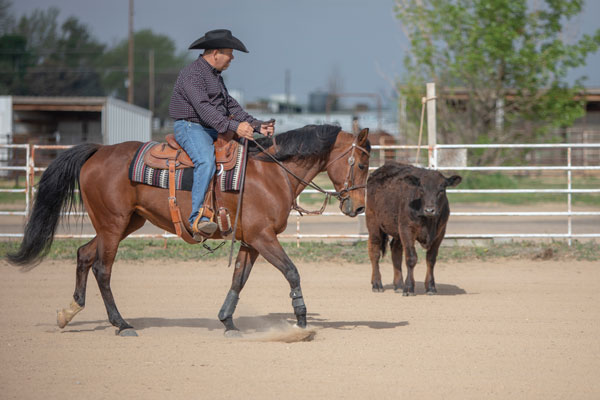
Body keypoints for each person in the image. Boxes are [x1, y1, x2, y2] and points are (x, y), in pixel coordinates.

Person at [169, 29, 274, 240]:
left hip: (210, 127)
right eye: (230, 52)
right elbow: (204, 108)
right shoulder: (192, 74)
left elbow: (231, 107)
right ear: (215, 52)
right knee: (206, 162)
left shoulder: (214, 77)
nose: (233, 57)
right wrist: (234, 127)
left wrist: (256, 125)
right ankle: (197, 218)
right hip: (191, 127)